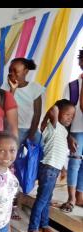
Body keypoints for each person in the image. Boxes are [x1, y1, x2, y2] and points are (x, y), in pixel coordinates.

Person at [27, 101, 75, 232]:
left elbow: (58, 151)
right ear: (57, 113)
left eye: (72, 116)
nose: (69, 118)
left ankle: (44, 225)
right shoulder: (53, 125)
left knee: (46, 199)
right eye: (67, 114)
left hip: (54, 169)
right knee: (42, 200)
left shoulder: (64, 131)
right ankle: (33, 228)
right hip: (48, 169)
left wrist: (64, 169)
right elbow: (53, 108)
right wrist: (49, 116)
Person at [2, 58, 45, 145]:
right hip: (14, 129)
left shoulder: (35, 88)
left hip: (32, 128)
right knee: (13, 152)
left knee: (43, 149)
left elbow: (37, 113)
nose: (12, 73)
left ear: (26, 71)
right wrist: (12, 89)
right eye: (10, 70)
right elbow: (4, 108)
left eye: (15, 71)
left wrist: (32, 133)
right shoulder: (5, 87)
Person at [61, 48, 83, 213]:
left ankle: (80, 194)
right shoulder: (73, 86)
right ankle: (71, 197)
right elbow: (65, 112)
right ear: (80, 62)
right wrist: (68, 135)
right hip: (76, 129)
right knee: (74, 162)